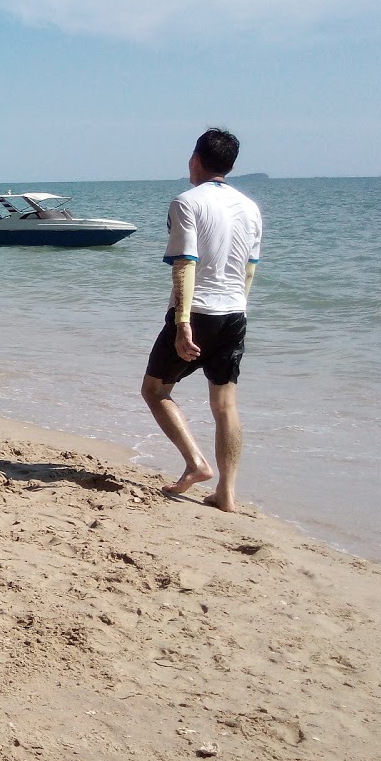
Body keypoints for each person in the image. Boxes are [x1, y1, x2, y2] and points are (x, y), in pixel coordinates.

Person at [141, 128, 263, 513]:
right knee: (225, 404)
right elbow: (249, 270)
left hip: (198, 312)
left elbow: (185, 264)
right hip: (235, 312)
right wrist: (240, 309)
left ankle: (196, 464)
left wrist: (182, 322)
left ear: (195, 159)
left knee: (155, 390)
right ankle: (227, 495)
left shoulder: (186, 202)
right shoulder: (250, 208)